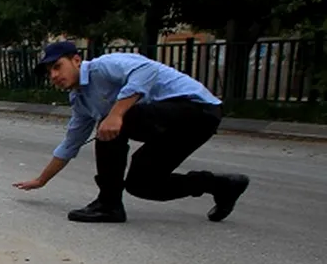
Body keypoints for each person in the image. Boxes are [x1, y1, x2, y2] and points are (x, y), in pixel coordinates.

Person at [13, 40, 249, 223]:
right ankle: (222, 186)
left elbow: (147, 69)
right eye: (49, 72)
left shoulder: (103, 66)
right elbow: (71, 143)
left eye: (57, 67)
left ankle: (108, 204)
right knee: (142, 184)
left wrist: (116, 113)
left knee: (110, 123)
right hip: (176, 128)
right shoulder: (81, 100)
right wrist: (41, 180)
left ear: (76, 60)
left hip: (198, 110)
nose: (54, 76)